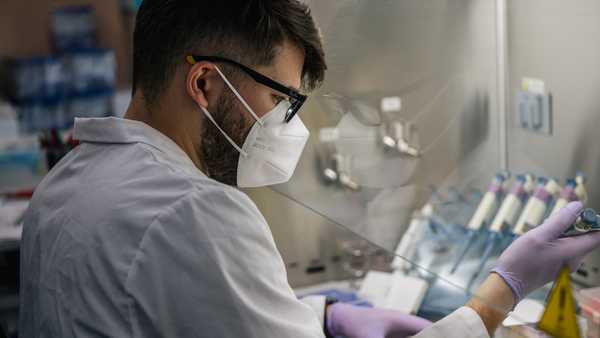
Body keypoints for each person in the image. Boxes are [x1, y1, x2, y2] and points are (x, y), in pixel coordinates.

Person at [18, 1, 600, 337]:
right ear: (203, 83)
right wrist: (500, 293)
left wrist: (322, 317)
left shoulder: (67, 184)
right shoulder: (193, 213)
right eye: (281, 101)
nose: (288, 126)